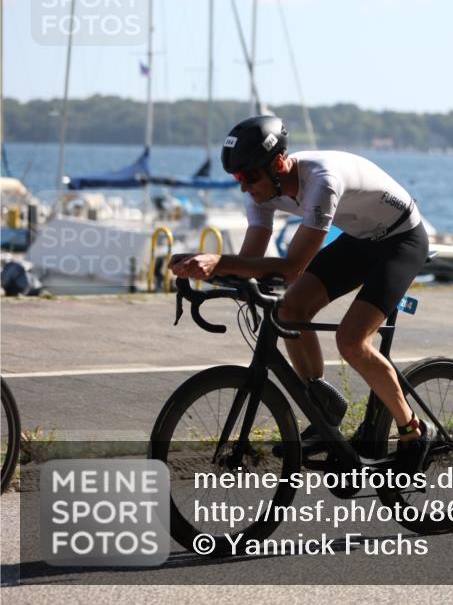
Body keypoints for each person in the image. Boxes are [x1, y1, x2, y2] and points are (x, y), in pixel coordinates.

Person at [169, 115, 432, 471]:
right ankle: (326, 407)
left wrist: (220, 262)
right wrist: (200, 268)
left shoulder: (322, 181)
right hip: (360, 240)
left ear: (278, 163)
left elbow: (292, 268)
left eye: (248, 177)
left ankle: (413, 430)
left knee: (352, 340)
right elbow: (250, 260)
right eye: (237, 179)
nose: (244, 187)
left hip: (401, 240)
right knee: (290, 309)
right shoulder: (262, 192)